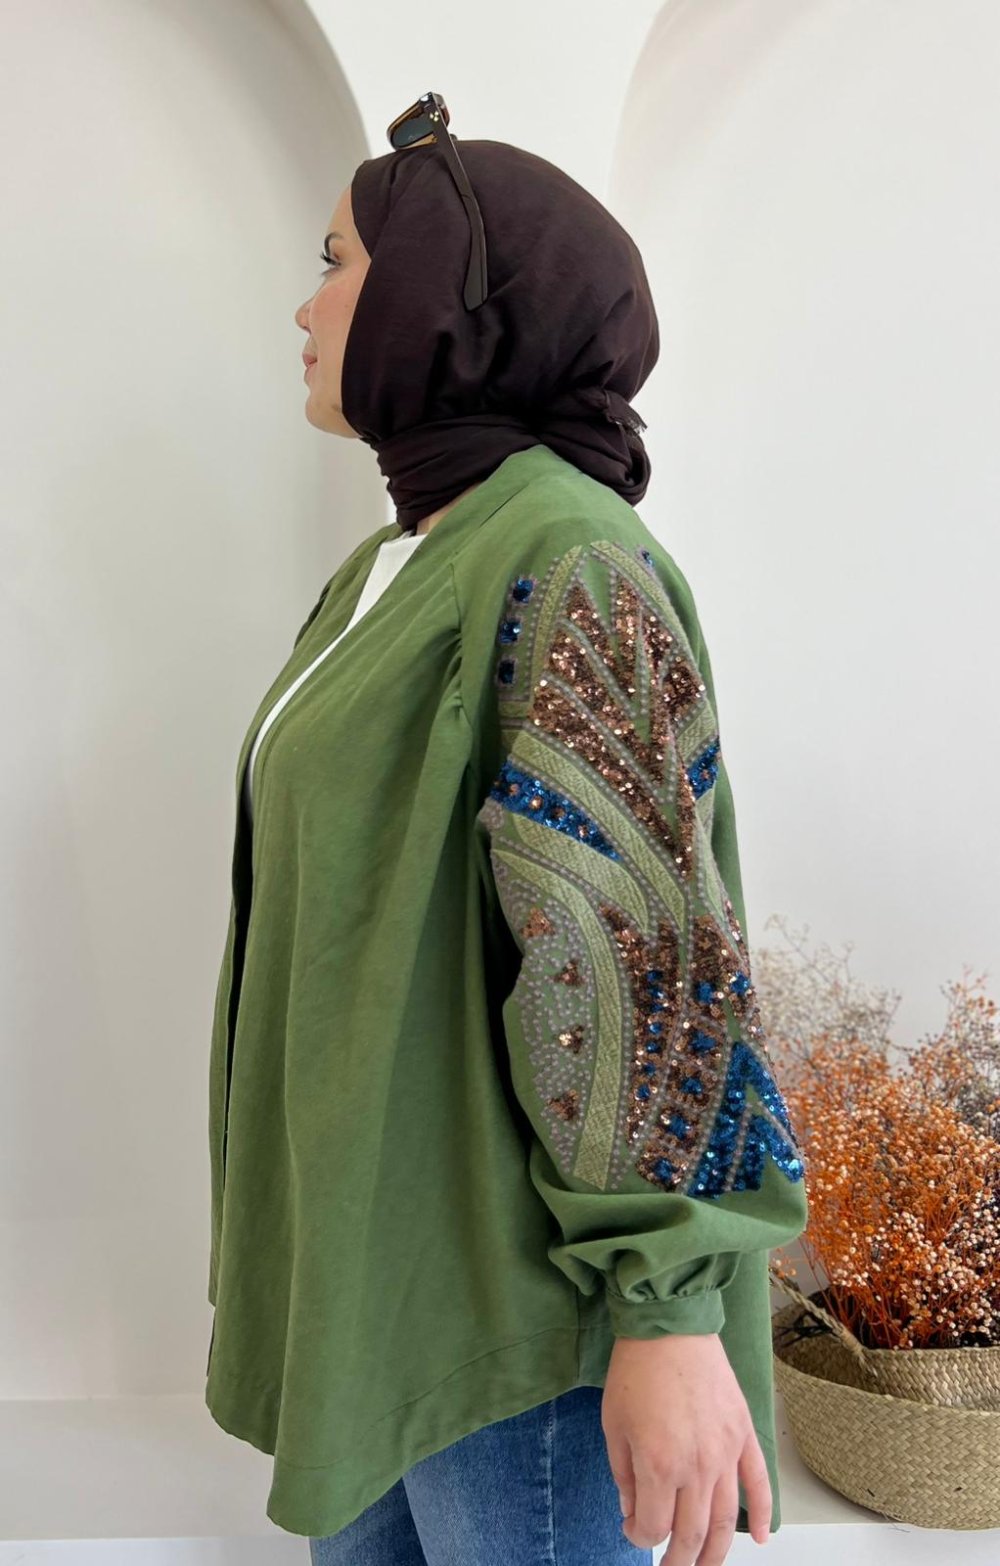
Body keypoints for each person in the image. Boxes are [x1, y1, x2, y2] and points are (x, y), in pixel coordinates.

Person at [204, 121, 809, 1566]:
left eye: (336, 261)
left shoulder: (566, 555)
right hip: (385, 1294)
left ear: (439, 294)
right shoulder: (405, 559)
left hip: (523, 1343)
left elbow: (639, 947)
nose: (305, 305)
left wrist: (667, 1310)